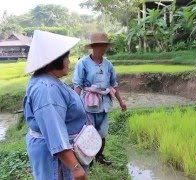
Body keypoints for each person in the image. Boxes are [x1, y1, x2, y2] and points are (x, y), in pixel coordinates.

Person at [23, 30, 87, 179]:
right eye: (66, 57)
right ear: (54, 60)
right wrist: (75, 167)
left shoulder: (49, 81)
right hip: (56, 157)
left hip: (57, 152)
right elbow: (54, 133)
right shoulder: (47, 89)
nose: (69, 61)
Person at [73, 32, 127, 166]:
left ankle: (99, 156)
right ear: (94, 47)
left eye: (105, 46)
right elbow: (78, 85)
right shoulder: (83, 63)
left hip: (104, 104)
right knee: (88, 133)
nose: (103, 49)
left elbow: (113, 85)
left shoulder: (108, 64)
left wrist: (121, 102)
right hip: (88, 104)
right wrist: (74, 105)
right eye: (101, 46)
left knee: (102, 133)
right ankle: (87, 159)